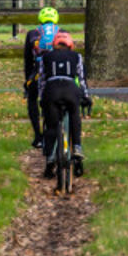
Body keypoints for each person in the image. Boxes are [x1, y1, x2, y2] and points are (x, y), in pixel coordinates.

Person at [37, 31, 91, 178]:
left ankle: (50, 160)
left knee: (51, 125)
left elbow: (41, 80)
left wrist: (42, 99)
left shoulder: (45, 57)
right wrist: (86, 96)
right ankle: (77, 147)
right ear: (70, 45)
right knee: (74, 116)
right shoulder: (76, 56)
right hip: (70, 90)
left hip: (52, 90)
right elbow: (81, 78)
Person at [22, 7, 60, 148]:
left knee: (32, 98)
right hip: (58, 72)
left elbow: (28, 60)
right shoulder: (62, 32)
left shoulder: (32, 34)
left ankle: (38, 136)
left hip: (38, 73)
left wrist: (27, 81)